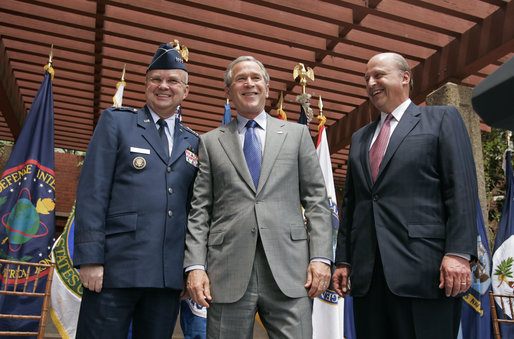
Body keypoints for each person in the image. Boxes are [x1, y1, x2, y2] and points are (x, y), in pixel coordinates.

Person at [184, 56, 333, 338]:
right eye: (240, 79)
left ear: (266, 87)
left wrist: (321, 257)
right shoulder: (210, 142)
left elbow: (316, 201)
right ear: (229, 92)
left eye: (255, 78)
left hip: (291, 272)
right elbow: (200, 210)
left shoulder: (298, 135)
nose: (249, 83)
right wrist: (195, 267)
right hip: (226, 271)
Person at [332, 52, 478, 339]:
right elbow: (352, 203)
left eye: (378, 75)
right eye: (366, 78)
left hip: (426, 272)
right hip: (368, 278)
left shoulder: (441, 119)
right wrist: (344, 260)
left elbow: (460, 188)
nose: (371, 82)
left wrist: (458, 253)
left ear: (405, 77)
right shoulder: (361, 137)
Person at [73, 42, 199, 338]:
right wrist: (90, 258)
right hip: (115, 270)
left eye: (173, 81)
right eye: (156, 79)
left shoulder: (193, 142)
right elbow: (93, 191)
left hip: (166, 278)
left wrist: (186, 270)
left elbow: (193, 210)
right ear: (145, 85)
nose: (163, 86)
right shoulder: (117, 123)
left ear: (185, 91)